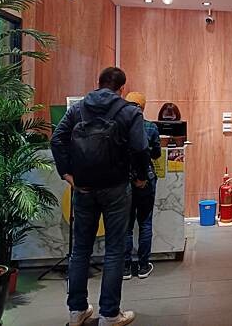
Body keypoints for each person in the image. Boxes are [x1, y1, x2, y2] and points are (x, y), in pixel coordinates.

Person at [51, 67, 150, 326]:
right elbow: (141, 148)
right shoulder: (129, 111)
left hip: (84, 187)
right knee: (114, 250)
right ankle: (109, 314)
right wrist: (141, 177)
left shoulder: (78, 109)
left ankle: (76, 311)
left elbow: (57, 139)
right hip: (116, 187)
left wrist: (67, 174)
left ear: (98, 83)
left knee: (80, 249)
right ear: (122, 88)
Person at [123, 92, 161, 280]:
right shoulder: (150, 127)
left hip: (124, 180)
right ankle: (143, 266)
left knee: (126, 225)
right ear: (143, 108)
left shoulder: (118, 126)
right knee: (145, 222)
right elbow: (156, 154)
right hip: (146, 179)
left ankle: (125, 267)